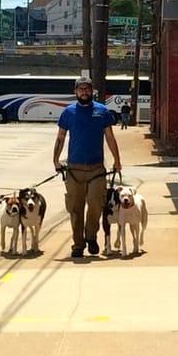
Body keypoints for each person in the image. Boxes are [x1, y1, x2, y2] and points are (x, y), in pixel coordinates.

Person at [53, 76, 122, 258]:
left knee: (96, 204)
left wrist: (117, 160)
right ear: (75, 92)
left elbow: (110, 137)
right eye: (80, 89)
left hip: (96, 169)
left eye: (87, 89)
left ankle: (91, 236)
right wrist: (56, 160)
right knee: (75, 209)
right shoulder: (68, 112)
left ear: (92, 91)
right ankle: (78, 244)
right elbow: (60, 137)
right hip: (74, 169)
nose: (84, 92)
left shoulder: (102, 111)